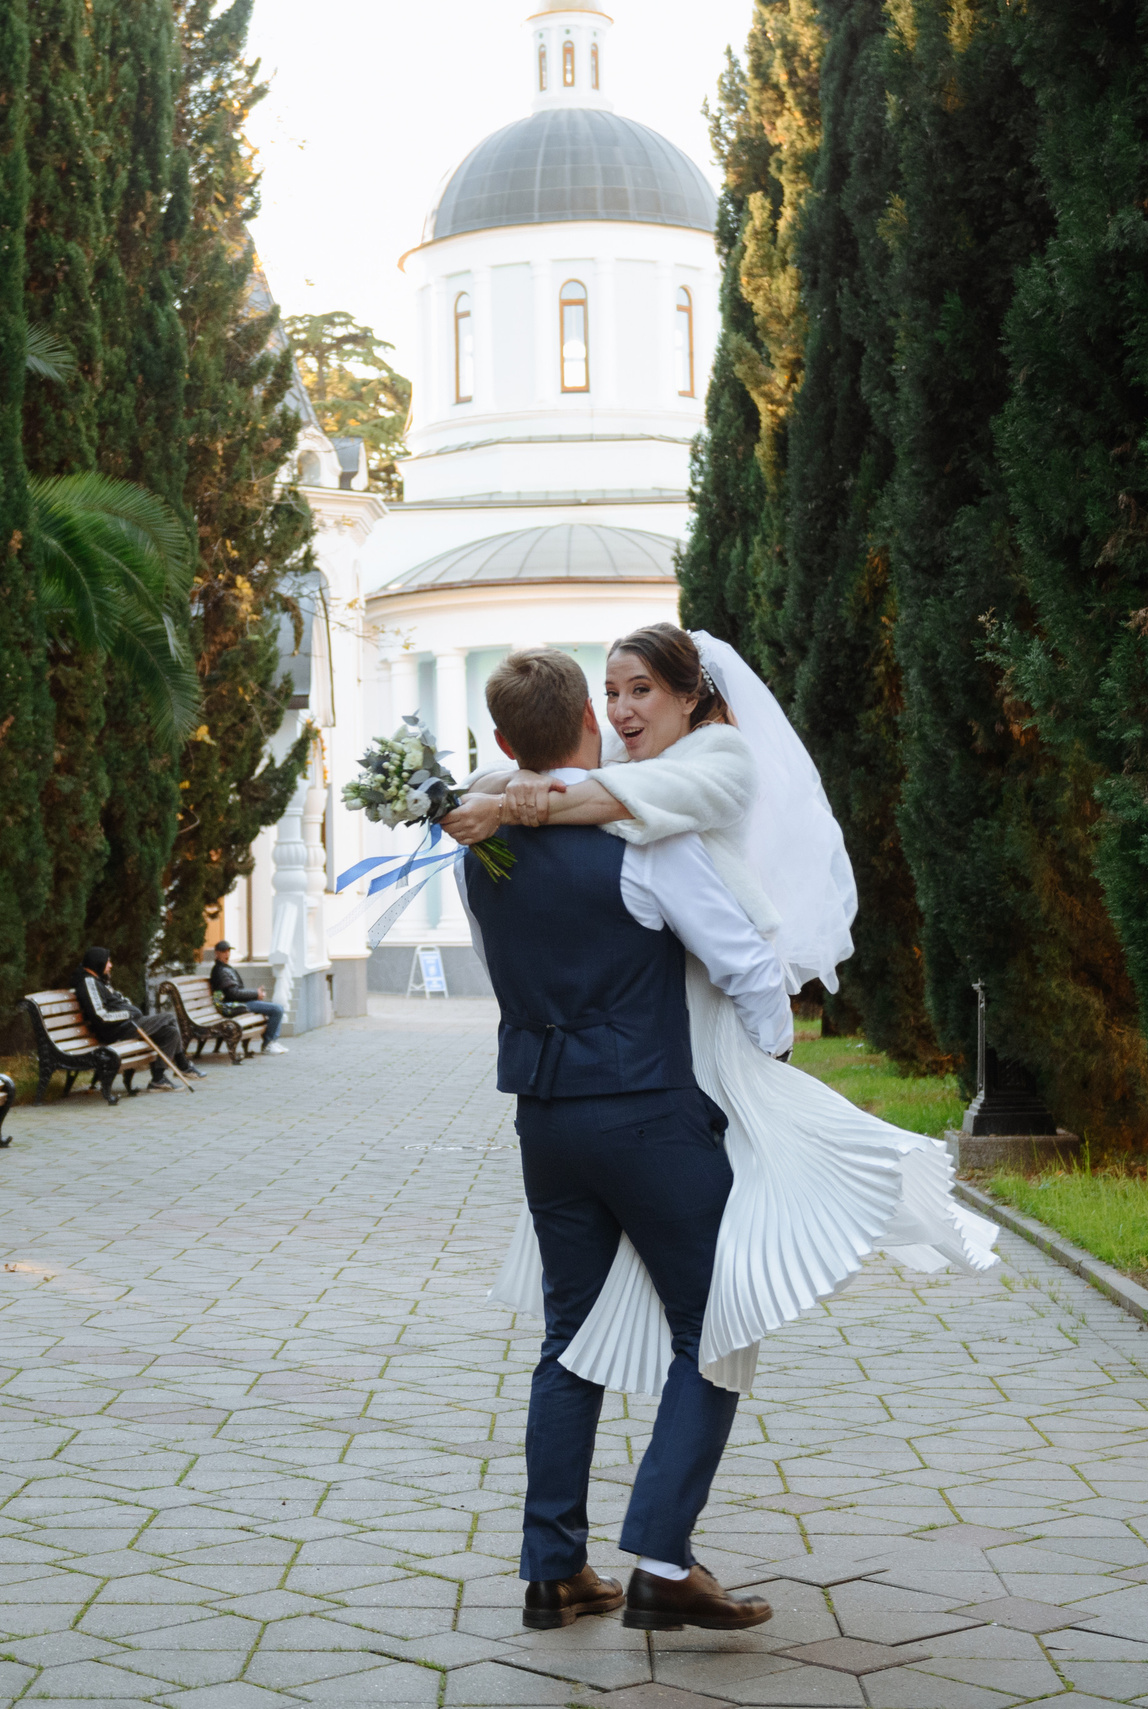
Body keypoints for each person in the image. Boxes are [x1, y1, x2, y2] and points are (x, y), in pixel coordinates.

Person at [449, 628, 996, 1404]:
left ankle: (615, 1514)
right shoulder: (613, 773)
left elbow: (607, 798)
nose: (623, 708)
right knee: (692, 1318)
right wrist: (507, 792)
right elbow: (546, 771)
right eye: (610, 693)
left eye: (641, 689)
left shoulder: (718, 759)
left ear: (690, 694)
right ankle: (660, 1519)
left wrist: (509, 803)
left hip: (699, 1035)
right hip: (649, 1059)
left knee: (723, 1281)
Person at [461, 645, 788, 1635]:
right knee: (717, 1327)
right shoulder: (645, 839)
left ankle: (553, 1569)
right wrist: (766, 1075)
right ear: (592, 729)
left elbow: (501, 966)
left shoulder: (483, 848)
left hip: (543, 1118)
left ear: (507, 742)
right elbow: (746, 966)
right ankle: (660, 1556)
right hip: (649, 1111)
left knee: (570, 1339)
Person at [74, 948, 201, 1086]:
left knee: (170, 1032)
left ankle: (158, 1080)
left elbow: (119, 1000)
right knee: (168, 1017)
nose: (111, 965)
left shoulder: (98, 981)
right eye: (108, 962)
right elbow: (100, 1016)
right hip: (118, 1030)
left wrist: (129, 1009)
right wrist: (129, 1013)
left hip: (127, 1025)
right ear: (97, 963)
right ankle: (183, 1065)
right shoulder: (89, 983)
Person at [206, 941, 288, 1054]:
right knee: (277, 1009)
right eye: (224, 951)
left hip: (238, 1003)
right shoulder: (220, 971)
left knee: (277, 1008)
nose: (227, 954)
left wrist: (255, 993)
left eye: (228, 951)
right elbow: (233, 994)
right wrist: (255, 994)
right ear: (217, 953)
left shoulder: (224, 968)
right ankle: (268, 1044)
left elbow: (235, 992)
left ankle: (271, 1041)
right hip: (233, 1005)